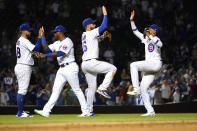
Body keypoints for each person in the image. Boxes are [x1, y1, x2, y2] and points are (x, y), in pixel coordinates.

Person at [34, 25, 90, 117]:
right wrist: (42, 36)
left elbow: (61, 53)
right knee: (55, 90)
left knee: (76, 90)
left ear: (60, 32)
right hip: (62, 69)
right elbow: (46, 49)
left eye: (56, 32)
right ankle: (46, 111)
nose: (54, 33)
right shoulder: (56, 43)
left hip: (70, 67)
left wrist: (45, 56)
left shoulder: (68, 41)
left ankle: (86, 111)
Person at [81, 6, 117, 115]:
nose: (94, 24)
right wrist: (105, 14)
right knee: (113, 68)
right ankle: (103, 88)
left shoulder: (84, 35)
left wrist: (103, 36)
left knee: (91, 88)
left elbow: (96, 40)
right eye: (92, 24)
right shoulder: (91, 33)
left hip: (85, 64)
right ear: (88, 26)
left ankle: (88, 111)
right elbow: (104, 25)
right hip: (92, 63)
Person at [127, 10, 163, 116]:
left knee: (133, 65)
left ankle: (136, 88)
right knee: (144, 88)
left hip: (155, 64)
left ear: (154, 31)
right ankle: (150, 111)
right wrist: (131, 20)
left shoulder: (155, 38)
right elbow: (135, 31)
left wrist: (150, 36)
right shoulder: (146, 39)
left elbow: (160, 44)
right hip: (150, 66)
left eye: (151, 29)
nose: (149, 29)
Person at [15, 24, 43, 117]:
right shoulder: (24, 40)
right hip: (24, 66)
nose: (30, 32)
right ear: (23, 31)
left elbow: (32, 52)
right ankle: (20, 112)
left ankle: (21, 111)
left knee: (22, 89)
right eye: (28, 30)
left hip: (21, 65)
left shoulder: (19, 41)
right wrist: (40, 37)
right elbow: (36, 49)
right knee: (22, 90)